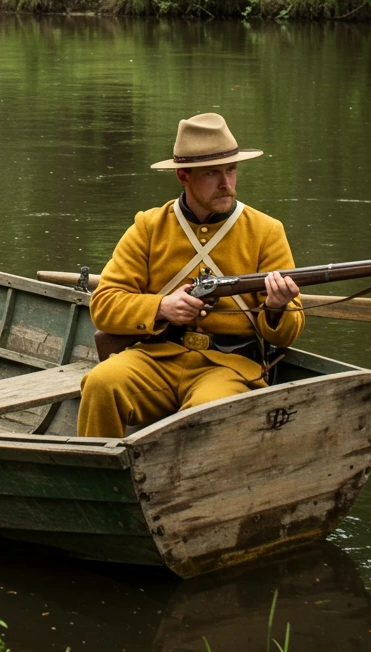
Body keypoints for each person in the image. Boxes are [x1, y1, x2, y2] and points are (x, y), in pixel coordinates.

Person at [77, 112, 305, 438]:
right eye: (212, 173)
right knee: (101, 384)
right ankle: (98, 483)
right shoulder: (148, 227)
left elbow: (287, 334)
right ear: (183, 176)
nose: (227, 183)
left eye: (231, 170)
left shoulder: (266, 231)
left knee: (205, 414)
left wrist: (277, 306)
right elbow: (104, 305)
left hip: (228, 368)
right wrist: (161, 308)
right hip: (156, 358)